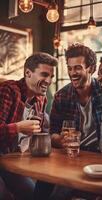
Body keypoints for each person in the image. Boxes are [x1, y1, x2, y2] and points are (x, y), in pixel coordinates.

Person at [34, 44, 102, 200]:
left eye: (77, 68)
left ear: (91, 68)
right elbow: (52, 133)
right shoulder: (62, 96)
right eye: (69, 68)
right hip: (72, 155)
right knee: (43, 183)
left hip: (100, 156)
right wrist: (58, 139)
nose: (72, 73)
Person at [0, 52, 58, 200]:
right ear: (28, 73)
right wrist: (18, 127)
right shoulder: (9, 90)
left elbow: (41, 133)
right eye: (44, 74)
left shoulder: (41, 99)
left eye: (51, 76)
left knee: (33, 194)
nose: (49, 80)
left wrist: (56, 139)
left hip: (14, 160)